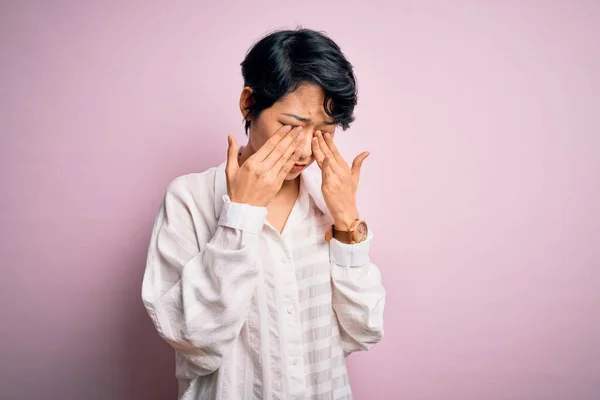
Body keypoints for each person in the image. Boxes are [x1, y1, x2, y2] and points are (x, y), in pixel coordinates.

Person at [142, 28, 386, 400]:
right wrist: (240, 217)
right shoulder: (189, 198)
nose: (305, 151)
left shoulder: (329, 203)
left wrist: (348, 226)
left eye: (324, 131)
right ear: (248, 103)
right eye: (290, 126)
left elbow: (363, 331)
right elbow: (192, 339)